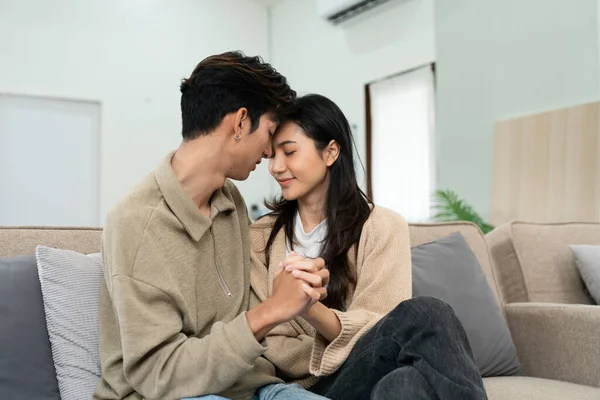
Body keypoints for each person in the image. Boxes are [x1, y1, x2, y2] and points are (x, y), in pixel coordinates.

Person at [93, 52, 331, 400]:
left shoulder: (230, 201)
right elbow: (159, 375)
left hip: (249, 386)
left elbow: (247, 313)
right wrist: (269, 311)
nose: (268, 153)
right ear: (239, 123)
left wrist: (295, 293)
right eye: (268, 133)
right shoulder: (136, 223)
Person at [250, 94, 487, 400]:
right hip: (312, 388)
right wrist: (328, 332)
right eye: (271, 156)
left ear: (331, 152)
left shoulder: (383, 226)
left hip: (372, 368)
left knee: (404, 386)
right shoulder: (260, 237)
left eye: (290, 152)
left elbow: (383, 327)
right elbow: (272, 344)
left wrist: (309, 308)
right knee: (426, 313)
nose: (276, 167)